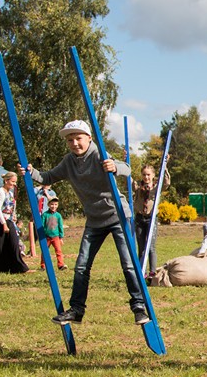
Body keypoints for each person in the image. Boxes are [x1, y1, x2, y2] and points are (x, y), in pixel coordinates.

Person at [20, 120, 150, 326]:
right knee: (81, 266)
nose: (75, 143)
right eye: (70, 140)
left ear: (89, 138)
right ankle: (77, 310)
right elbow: (48, 176)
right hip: (94, 220)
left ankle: (139, 306)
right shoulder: (69, 162)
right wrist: (30, 172)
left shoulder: (99, 155)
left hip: (118, 215)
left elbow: (126, 169)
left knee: (128, 263)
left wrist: (113, 166)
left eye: (78, 138)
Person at [132, 162, 170, 277]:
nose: (146, 177)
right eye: (144, 174)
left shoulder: (157, 187)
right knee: (141, 247)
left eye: (148, 175)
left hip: (151, 219)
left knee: (151, 247)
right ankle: (140, 272)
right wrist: (126, 161)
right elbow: (128, 180)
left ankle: (152, 272)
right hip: (139, 219)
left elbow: (167, 183)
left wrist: (165, 166)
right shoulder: (138, 186)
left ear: (153, 175)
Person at [40, 197, 67, 270]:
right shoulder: (45, 215)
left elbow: (60, 226)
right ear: (48, 205)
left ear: (57, 205)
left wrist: (61, 237)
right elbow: (41, 225)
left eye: (55, 204)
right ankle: (43, 265)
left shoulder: (58, 215)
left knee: (58, 251)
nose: (53, 206)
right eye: (52, 204)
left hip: (56, 237)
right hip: (46, 237)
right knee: (45, 251)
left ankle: (60, 265)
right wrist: (41, 235)